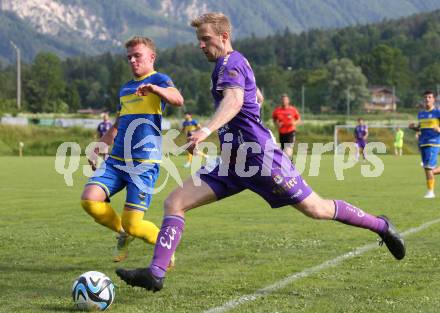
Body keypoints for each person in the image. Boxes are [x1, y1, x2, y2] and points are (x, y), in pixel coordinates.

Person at [116, 12, 405, 291]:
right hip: (231, 164)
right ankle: (155, 274)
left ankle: (381, 225)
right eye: (198, 40)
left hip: (261, 161)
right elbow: (253, 96)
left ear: (224, 36)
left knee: (317, 209)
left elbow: (234, 100)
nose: (200, 45)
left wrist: (206, 129)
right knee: (175, 202)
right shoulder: (232, 64)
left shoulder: (230, 63)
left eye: (205, 39)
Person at [81, 36, 184, 263]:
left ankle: (164, 248)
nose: (133, 61)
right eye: (129, 57)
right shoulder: (126, 88)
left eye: (137, 55)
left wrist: (155, 89)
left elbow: (178, 99)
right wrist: (99, 146)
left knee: (134, 224)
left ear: (151, 57)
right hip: (116, 160)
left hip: (143, 163)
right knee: (89, 199)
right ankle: (122, 233)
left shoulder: (160, 79)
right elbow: (119, 123)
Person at [409, 90, 440, 198]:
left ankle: (431, 192)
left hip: (434, 142)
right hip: (423, 143)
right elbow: (420, 128)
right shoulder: (421, 114)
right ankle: (430, 191)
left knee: (428, 168)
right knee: (428, 168)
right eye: (425, 97)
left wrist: (439, 129)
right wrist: (414, 127)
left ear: (433, 99)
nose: (427, 99)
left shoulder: (437, 113)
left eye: (429, 97)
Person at [271, 94, 301, 158]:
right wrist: (277, 124)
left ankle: (289, 165)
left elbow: (298, 119)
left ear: (288, 101)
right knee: (284, 152)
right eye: (282, 100)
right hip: (281, 133)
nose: (283, 101)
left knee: (288, 151)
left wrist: (294, 123)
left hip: (291, 132)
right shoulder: (277, 110)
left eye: (285, 100)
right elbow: (274, 119)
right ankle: (288, 165)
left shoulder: (293, 110)